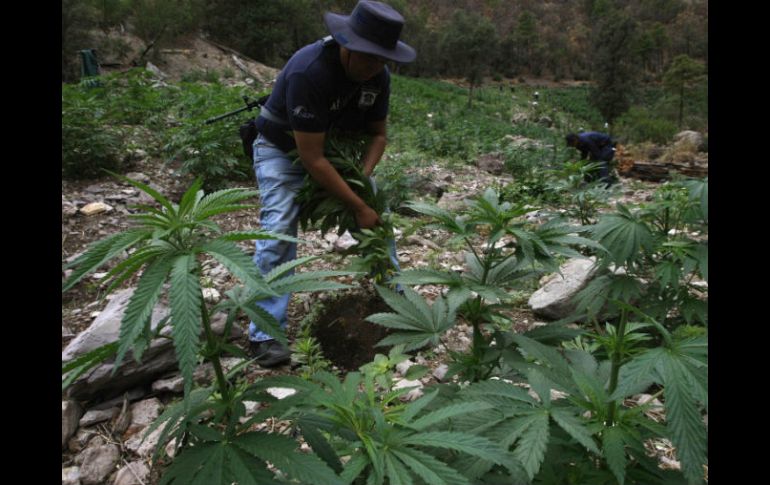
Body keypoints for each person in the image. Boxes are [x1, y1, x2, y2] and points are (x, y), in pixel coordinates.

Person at [247, 1, 417, 367]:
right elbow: (311, 159)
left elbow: (378, 135)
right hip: (282, 151)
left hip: (334, 153)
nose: (374, 67)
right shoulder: (309, 71)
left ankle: (399, 309)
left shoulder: (378, 77)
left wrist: (361, 182)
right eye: (368, 57)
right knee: (279, 229)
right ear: (346, 44)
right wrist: (358, 205)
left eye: (382, 60)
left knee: (379, 225)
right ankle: (265, 332)